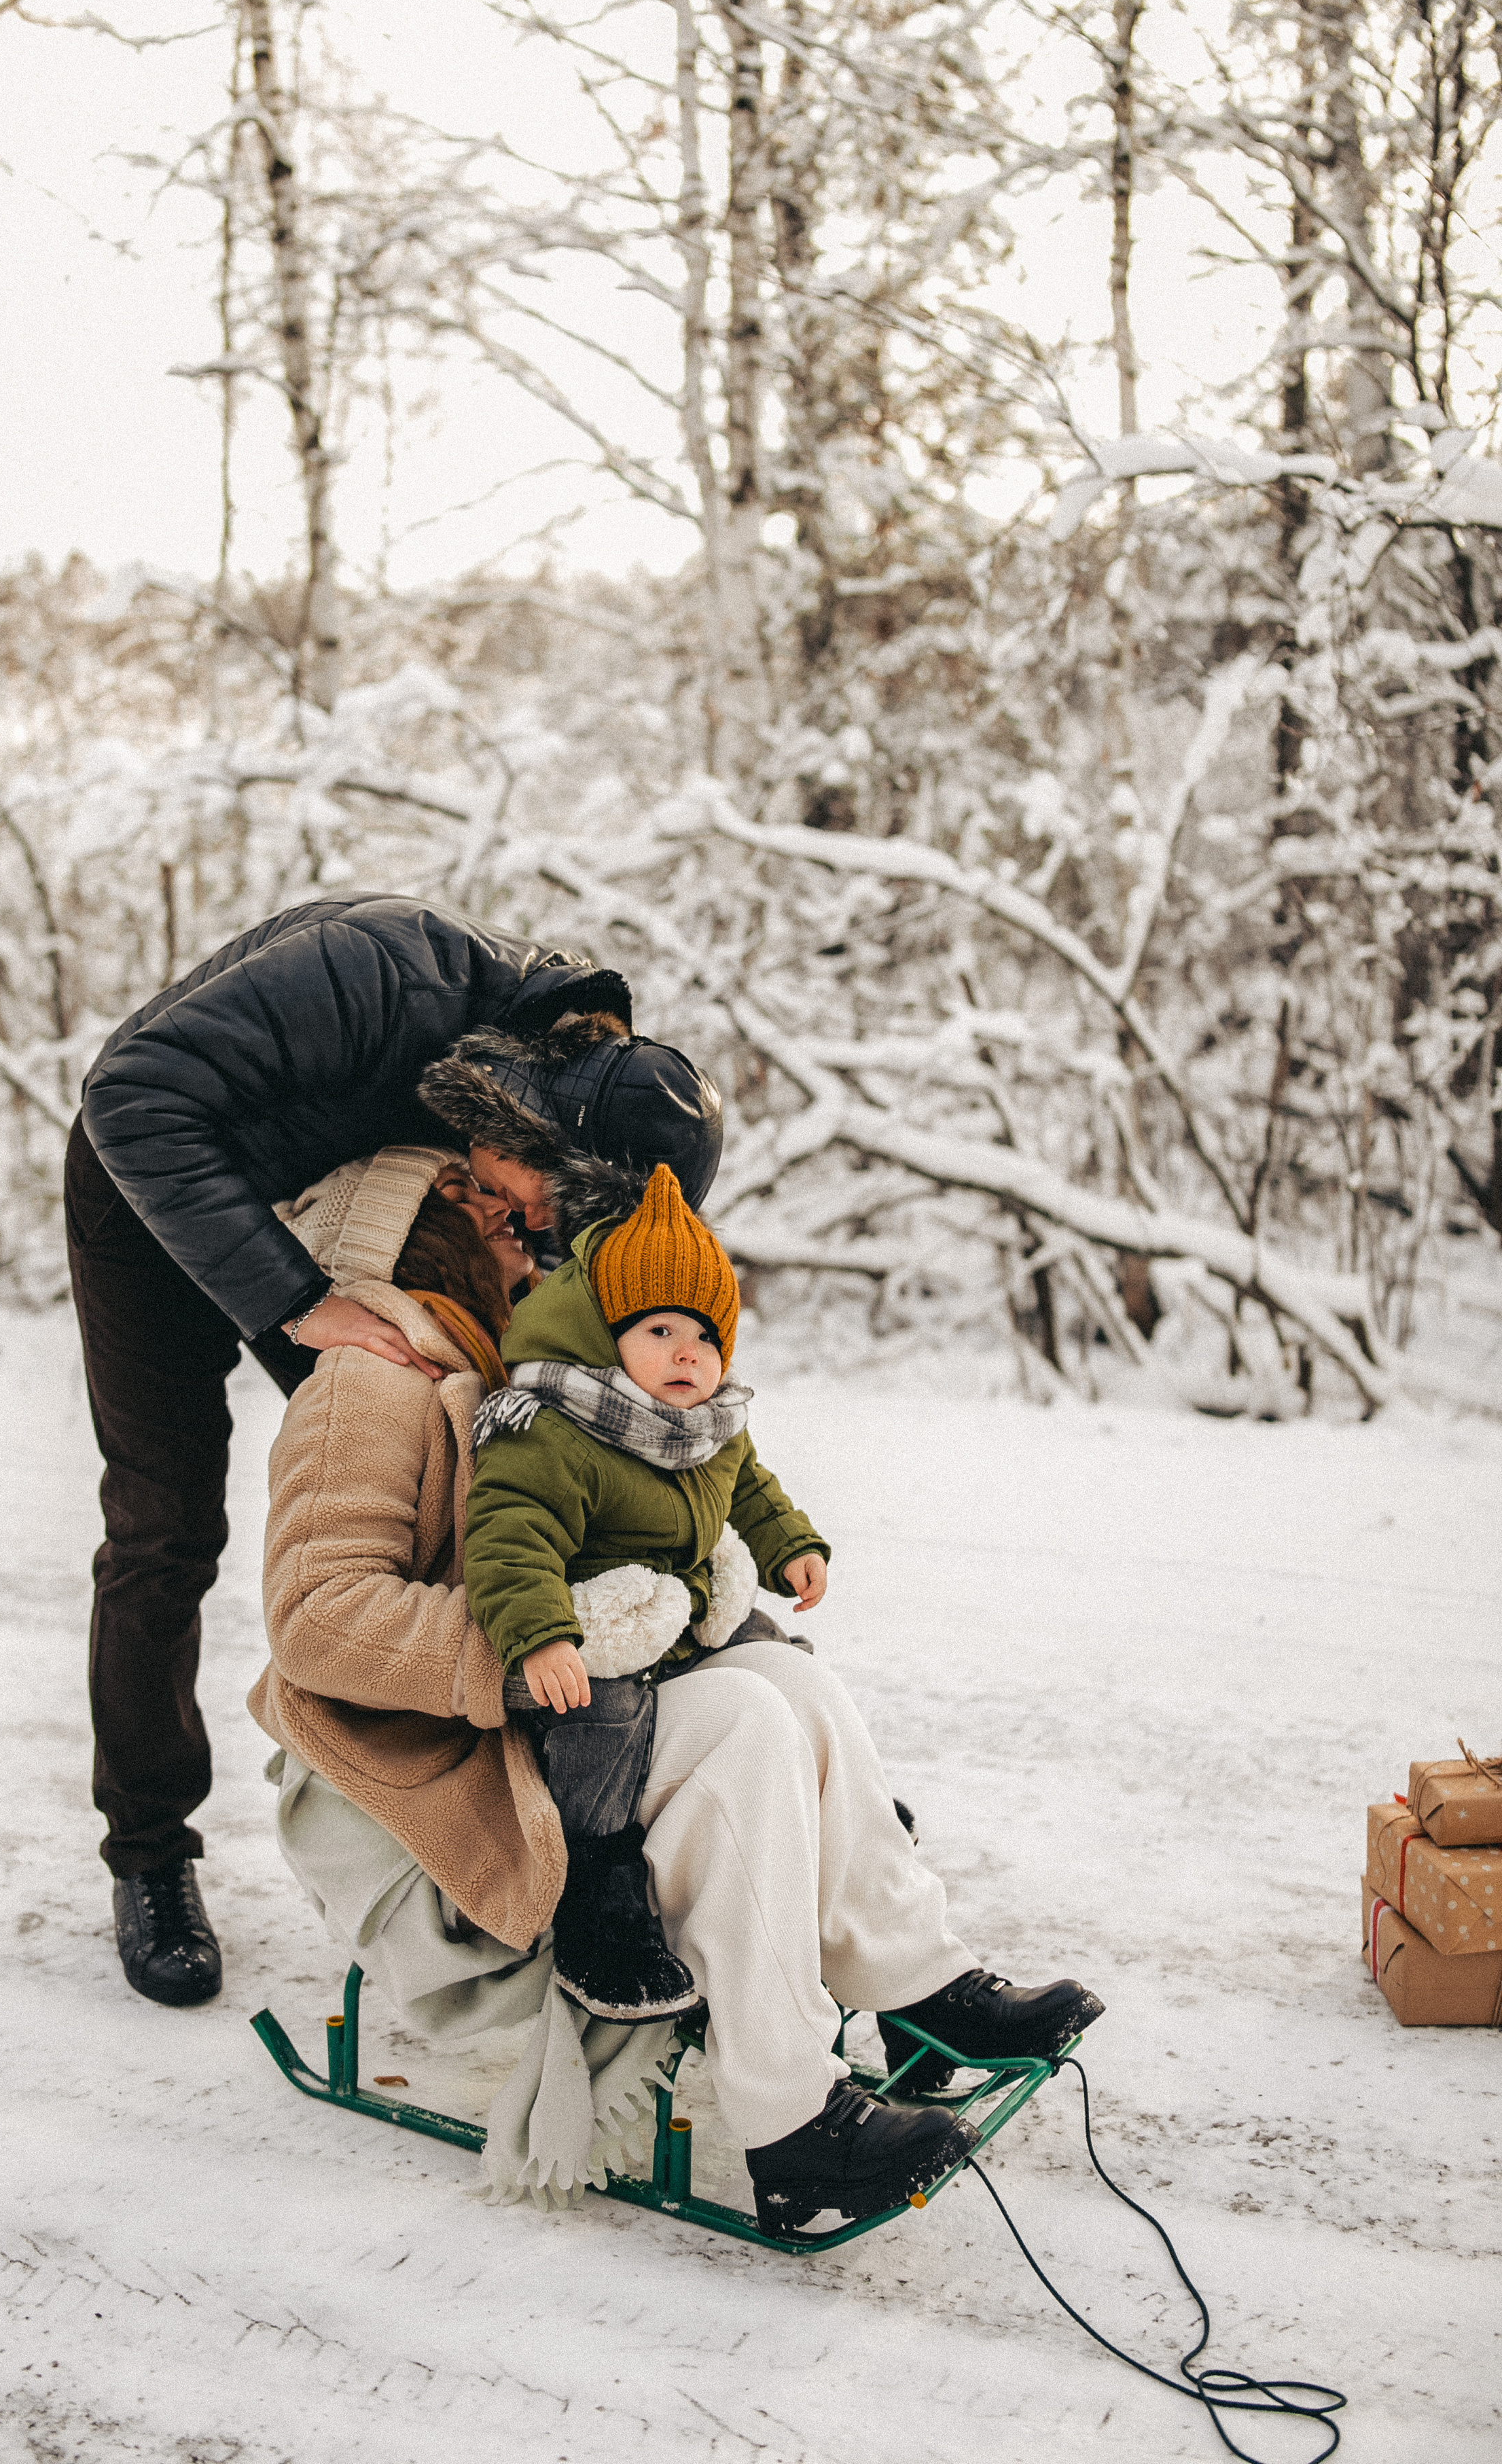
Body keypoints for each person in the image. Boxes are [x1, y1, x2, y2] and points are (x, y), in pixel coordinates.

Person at [255, 1137, 1107, 2241]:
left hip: (554, 1717)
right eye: (487, 1212)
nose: (525, 1231)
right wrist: (534, 1647)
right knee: (744, 1724)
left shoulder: (515, 1365)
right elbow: (317, 1620)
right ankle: (794, 2131)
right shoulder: (368, 1382)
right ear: (423, 1235)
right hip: (422, 1771)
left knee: (788, 1688)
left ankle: (921, 1986)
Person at [67, 893, 721, 2007]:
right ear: (531, 1121)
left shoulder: (576, 1088)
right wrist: (292, 1299)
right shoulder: (380, 978)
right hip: (150, 1196)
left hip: (330, 1222)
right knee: (164, 1531)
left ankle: (503, 1810)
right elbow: (129, 1095)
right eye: (542, 1207)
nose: (539, 1231)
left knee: (452, 1474)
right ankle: (150, 1855)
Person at [465, 1164, 830, 2023]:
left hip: (684, 1604)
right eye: (658, 1329)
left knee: (771, 1649)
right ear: (604, 1332)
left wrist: (791, 1547)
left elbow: (752, 1489)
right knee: (606, 1717)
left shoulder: (707, 1425)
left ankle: (817, 1788)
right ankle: (595, 1878)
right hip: (595, 1623)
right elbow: (509, 1535)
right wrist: (542, 1635)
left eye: (704, 1337)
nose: (685, 1353)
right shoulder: (555, 1425)